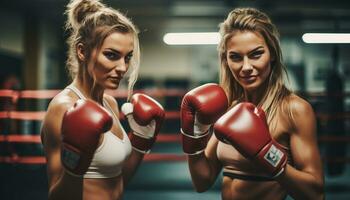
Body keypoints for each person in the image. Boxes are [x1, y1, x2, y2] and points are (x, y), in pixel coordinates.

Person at [180, 8, 324, 200]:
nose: (246, 67)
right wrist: (194, 136)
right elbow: (202, 181)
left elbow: (316, 194)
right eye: (236, 57)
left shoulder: (293, 110)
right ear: (226, 60)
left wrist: (268, 155)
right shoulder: (228, 108)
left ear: (272, 54)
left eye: (256, 54)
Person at [40, 0, 165, 199]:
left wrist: (141, 141)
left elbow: (118, 178)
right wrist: (75, 166)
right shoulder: (63, 108)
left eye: (127, 57)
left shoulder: (110, 103)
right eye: (111, 55)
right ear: (82, 51)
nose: (123, 68)